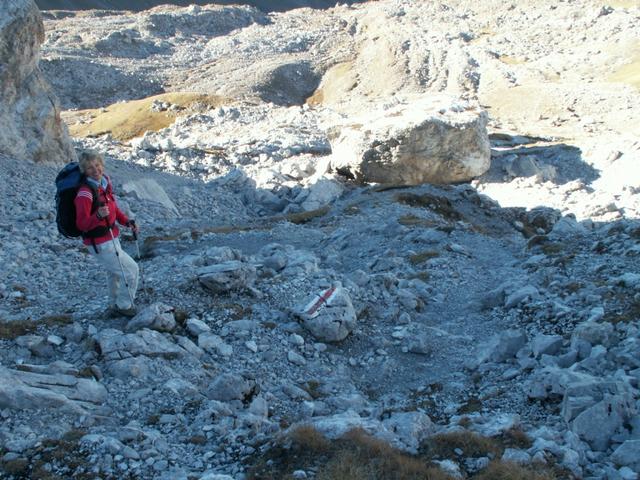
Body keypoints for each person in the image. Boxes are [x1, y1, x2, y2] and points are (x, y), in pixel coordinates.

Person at [75, 150, 140, 317]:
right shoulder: (85, 193)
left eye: (97, 165)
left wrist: (127, 222)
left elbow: (114, 209)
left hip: (111, 236)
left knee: (114, 273)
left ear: (102, 165)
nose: (95, 170)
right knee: (131, 271)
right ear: (84, 171)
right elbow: (81, 224)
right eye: (90, 168)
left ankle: (114, 305)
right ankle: (124, 306)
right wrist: (97, 216)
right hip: (100, 243)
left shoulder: (104, 184)